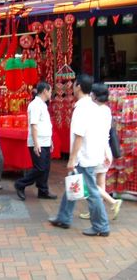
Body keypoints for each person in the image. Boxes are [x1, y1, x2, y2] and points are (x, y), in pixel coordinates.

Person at [49, 74, 110, 237]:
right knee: (73, 185)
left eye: (74, 84)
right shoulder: (93, 107)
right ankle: (63, 217)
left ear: (78, 87)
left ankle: (101, 226)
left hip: (84, 157)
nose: (73, 87)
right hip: (90, 154)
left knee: (91, 192)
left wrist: (72, 158)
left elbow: (79, 136)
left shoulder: (82, 108)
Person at [79, 83, 122, 220]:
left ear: (94, 95)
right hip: (105, 150)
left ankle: (113, 202)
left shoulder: (95, 110)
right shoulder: (107, 110)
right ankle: (97, 210)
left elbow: (96, 133)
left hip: (97, 150)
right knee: (100, 183)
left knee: (90, 183)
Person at [15, 81, 57, 201]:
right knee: (40, 168)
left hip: (45, 141)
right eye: (50, 91)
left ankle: (43, 190)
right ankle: (20, 184)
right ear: (44, 91)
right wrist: (36, 143)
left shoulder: (43, 104)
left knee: (46, 167)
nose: (51, 93)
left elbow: (45, 124)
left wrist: (50, 141)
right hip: (38, 141)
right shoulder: (35, 105)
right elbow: (34, 125)